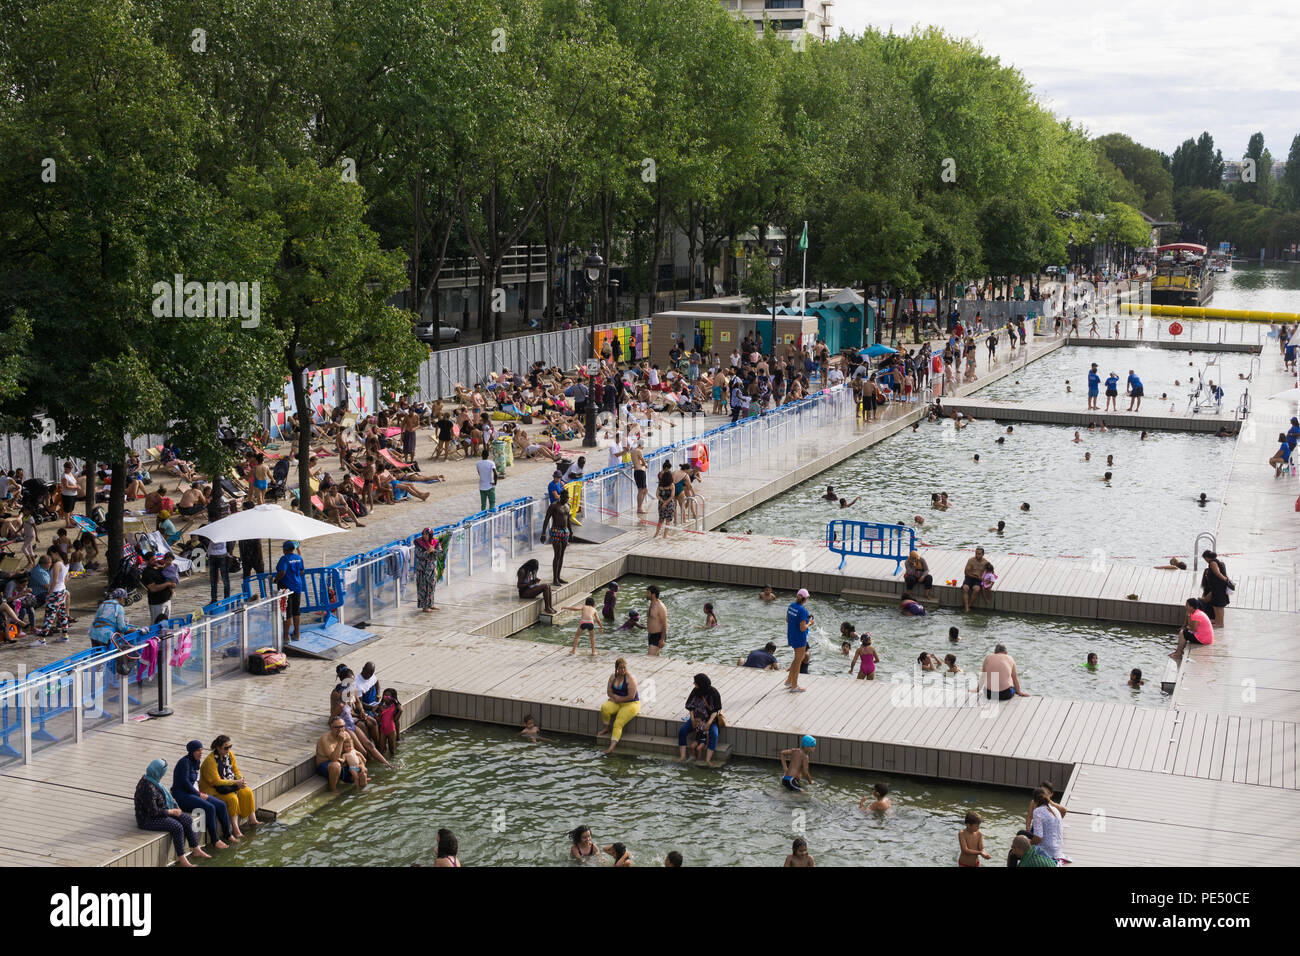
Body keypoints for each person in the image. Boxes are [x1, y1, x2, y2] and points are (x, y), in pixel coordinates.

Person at [134, 759, 209, 867]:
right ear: (158, 771)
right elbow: (154, 812)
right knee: (177, 827)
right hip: (147, 819)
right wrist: (172, 812)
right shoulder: (148, 787)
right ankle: (183, 860)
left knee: (187, 819)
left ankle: (196, 849)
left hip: (161, 811)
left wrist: (174, 806)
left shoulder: (154, 780)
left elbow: (165, 798)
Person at [171, 740, 235, 848]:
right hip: (182, 796)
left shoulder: (196, 762)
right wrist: (199, 794)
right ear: (191, 751)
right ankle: (215, 840)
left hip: (194, 793)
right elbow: (185, 783)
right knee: (210, 808)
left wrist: (199, 793)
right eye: (197, 750)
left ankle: (228, 835)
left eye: (201, 750)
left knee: (221, 805)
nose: (200, 752)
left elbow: (195, 782)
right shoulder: (184, 763)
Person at [200, 735, 258, 832]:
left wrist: (241, 780)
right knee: (232, 799)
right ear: (218, 748)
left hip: (226, 786)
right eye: (226, 748)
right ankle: (235, 829)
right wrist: (236, 782)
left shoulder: (229, 755)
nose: (228, 749)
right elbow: (216, 781)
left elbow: (235, 770)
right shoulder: (210, 761)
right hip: (212, 790)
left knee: (247, 791)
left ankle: (253, 819)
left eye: (230, 747)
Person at [676, 673, 723, 765]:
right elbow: (690, 706)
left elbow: (715, 711)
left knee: (714, 734)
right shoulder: (695, 691)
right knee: (682, 731)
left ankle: (708, 759)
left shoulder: (714, 693)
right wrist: (693, 720)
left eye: (696, 682)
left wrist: (709, 723)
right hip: (697, 719)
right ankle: (682, 756)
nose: (694, 684)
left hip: (710, 720)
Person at [596, 658, 639, 755]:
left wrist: (619, 699)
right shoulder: (612, 677)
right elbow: (609, 692)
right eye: (620, 668)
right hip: (617, 701)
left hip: (631, 703)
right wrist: (615, 697)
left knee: (618, 722)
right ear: (616, 668)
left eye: (624, 668)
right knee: (605, 708)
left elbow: (631, 695)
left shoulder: (630, 678)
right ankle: (607, 727)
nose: (623, 670)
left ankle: (611, 747)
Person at [316, 716, 368, 792]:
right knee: (336, 765)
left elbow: (353, 752)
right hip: (326, 766)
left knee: (362, 772)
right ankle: (333, 789)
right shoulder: (325, 739)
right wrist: (340, 741)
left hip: (343, 763)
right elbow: (333, 759)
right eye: (336, 727)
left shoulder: (346, 734)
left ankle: (362, 791)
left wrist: (362, 765)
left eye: (342, 726)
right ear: (331, 727)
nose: (340, 729)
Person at [275, 541, 306, 643]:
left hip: (285, 588)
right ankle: (297, 634)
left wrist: (276, 579)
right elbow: (302, 571)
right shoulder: (299, 558)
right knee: (296, 611)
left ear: (285, 549)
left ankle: (286, 636)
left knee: (286, 613)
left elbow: (282, 572)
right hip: (297, 586)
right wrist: (294, 574)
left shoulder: (284, 559)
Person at [540, 490, 571, 585]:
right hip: (556, 531)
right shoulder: (554, 506)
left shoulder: (568, 506)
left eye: (567, 498)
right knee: (557, 555)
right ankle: (555, 579)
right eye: (565, 498)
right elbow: (546, 519)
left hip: (565, 531)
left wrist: (571, 532)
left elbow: (568, 519)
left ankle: (558, 576)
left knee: (561, 555)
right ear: (561, 497)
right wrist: (543, 533)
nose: (566, 499)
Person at [784, 588, 812, 693]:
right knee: (798, 661)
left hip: (791, 635)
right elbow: (802, 628)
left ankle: (789, 681)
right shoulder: (803, 610)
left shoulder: (791, 606)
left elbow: (787, 620)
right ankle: (794, 686)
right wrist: (810, 623)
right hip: (800, 637)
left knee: (797, 658)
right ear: (805, 599)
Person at [1171, 597, 1215, 662]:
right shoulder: (1196, 612)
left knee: (1182, 633)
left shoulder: (1196, 615)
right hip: (1206, 638)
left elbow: (1193, 628)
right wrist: (1187, 625)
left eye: (1187, 605)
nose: (1185, 607)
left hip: (1203, 639)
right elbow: (1190, 626)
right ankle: (1178, 652)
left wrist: (1187, 624)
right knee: (1184, 632)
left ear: (1192, 607)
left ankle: (1178, 654)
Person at [1029, 789, 1066, 863]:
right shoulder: (1055, 809)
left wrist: (1028, 843)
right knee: (1023, 833)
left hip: (1047, 851)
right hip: (1058, 850)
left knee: (1013, 852)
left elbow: (1038, 838)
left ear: (1035, 801)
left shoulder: (1037, 811)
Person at [1199, 549, 1231, 626]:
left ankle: (1219, 623)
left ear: (1207, 557)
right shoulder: (1220, 562)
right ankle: (1220, 623)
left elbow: (1217, 573)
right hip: (1220, 587)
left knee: (1217, 606)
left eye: (1205, 558)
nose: (1205, 560)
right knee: (1220, 606)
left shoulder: (1212, 563)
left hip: (1218, 588)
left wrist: (1225, 579)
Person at [961, 547, 991, 612]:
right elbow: (966, 572)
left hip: (978, 579)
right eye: (976, 553)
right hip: (970, 577)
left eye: (979, 554)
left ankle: (968, 606)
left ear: (983, 554)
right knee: (965, 588)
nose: (977, 555)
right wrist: (974, 576)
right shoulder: (971, 560)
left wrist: (986, 580)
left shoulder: (985, 562)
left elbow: (989, 573)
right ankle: (966, 608)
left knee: (976, 589)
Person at [377, 688, 402, 755]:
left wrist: (395, 719)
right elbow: (379, 719)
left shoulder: (395, 706)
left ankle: (393, 762)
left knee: (392, 750)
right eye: (384, 696)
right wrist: (374, 714)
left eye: (388, 697)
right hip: (383, 731)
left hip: (391, 730)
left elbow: (400, 710)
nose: (386, 698)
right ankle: (382, 763)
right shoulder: (381, 706)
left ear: (393, 698)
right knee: (381, 750)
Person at [646, 584, 668, 656]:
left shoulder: (660, 606)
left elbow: (664, 624)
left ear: (653, 594)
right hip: (651, 635)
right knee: (655, 658)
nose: (646, 594)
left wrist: (662, 639)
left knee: (649, 658)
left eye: (648, 593)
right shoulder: (652, 604)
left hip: (658, 636)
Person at [476, 447, 498, 511]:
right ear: (488, 455)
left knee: (483, 504)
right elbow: (495, 474)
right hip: (490, 485)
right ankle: (491, 515)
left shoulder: (478, 463)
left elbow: (479, 473)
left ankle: (483, 516)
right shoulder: (491, 463)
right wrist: (495, 482)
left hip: (482, 486)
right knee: (492, 502)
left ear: (482, 455)